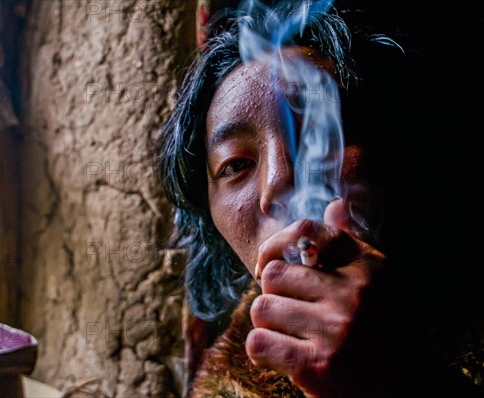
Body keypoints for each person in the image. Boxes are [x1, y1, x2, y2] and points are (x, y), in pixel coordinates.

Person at [159, 1, 481, 397]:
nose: (278, 183)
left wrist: (400, 379)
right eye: (235, 164)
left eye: (317, 134)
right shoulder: (225, 382)